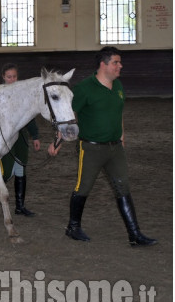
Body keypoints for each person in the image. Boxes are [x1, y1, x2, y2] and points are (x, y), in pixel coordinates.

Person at [49, 46, 157, 246]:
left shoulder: (118, 87)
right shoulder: (84, 89)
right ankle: (73, 228)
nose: (120, 66)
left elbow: (118, 113)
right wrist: (58, 140)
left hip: (115, 148)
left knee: (123, 187)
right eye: (116, 62)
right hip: (91, 149)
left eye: (119, 62)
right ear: (103, 65)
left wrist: (122, 136)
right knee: (83, 188)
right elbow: (67, 115)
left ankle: (135, 234)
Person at [0, 63, 41, 216]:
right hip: (4, 137)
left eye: (14, 76)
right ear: (3, 77)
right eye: (9, 77)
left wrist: (35, 136)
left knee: (21, 169)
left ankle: (19, 206)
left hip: (20, 137)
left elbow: (30, 116)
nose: (12, 79)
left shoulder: (22, 94)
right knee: (7, 171)